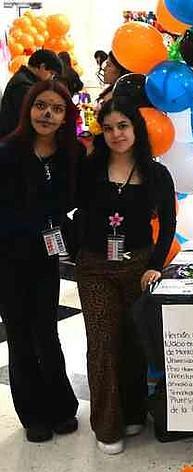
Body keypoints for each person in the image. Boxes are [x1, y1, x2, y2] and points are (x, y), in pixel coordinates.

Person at [76, 98, 176, 454]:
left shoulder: (156, 174)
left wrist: (156, 265)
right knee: (103, 343)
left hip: (138, 266)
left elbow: (168, 224)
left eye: (123, 126)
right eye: (108, 128)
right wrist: (77, 248)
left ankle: (133, 411)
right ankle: (106, 426)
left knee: (135, 342)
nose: (116, 134)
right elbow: (72, 210)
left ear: (135, 128)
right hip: (95, 268)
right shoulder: (90, 168)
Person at [0, 80, 82, 443]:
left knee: (47, 332)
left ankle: (61, 407)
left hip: (45, 258)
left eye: (57, 108)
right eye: (41, 106)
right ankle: (32, 414)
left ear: (66, 117)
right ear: (28, 109)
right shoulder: (7, 152)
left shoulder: (70, 156)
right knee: (19, 334)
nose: (47, 114)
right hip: (8, 258)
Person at [0, 49, 63, 138]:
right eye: (51, 73)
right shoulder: (23, 86)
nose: (51, 78)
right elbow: (30, 117)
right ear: (42, 67)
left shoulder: (24, 80)